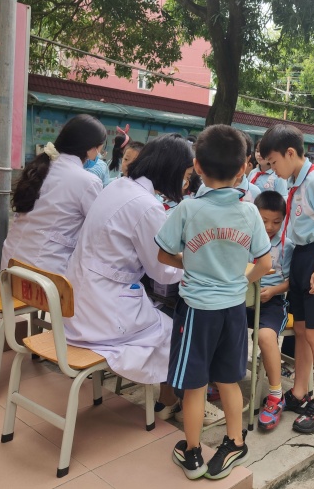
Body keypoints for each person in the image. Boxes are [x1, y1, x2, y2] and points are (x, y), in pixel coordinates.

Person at [156, 125, 272, 480]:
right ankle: (235, 442)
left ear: (197, 166)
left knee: (194, 386)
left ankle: (192, 452)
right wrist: (238, 281)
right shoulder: (249, 212)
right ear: (243, 169)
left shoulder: (188, 209)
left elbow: (163, 253)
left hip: (196, 311)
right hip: (234, 309)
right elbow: (264, 263)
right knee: (228, 380)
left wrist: (190, 263)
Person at [63, 133, 193, 422]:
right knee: (177, 332)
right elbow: (162, 271)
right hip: (102, 310)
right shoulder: (146, 205)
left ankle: (170, 399)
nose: (185, 184)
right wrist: (195, 263)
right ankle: (172, 400)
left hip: (78, 300)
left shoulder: (118, 186)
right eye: (185, 176)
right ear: (171, 171)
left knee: (160, 318)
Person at [260, 124, 314, 434]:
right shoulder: (295, 181)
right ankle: (300, 392)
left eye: (273, 162)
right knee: (300, 329)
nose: (273, 169)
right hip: (300, 256)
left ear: (290, 153)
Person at [2, 114, 105, 274]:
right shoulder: (87, 181)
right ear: (91, 149)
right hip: (42, 272)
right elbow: (99, 229)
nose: (99, 154)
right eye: (100, 149)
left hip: (10, 264)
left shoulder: (40, 167)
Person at [250, 191, 293, 431]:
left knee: (266, 336)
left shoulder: (286, 245)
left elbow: (291, 281)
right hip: (243, 299)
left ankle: (276, 395)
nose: (269, 227)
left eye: (276, 222)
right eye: (264, 220)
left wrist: (274, 291)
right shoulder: (244, 238)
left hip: (272, 301)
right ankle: (220, 380)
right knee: (222, 325)